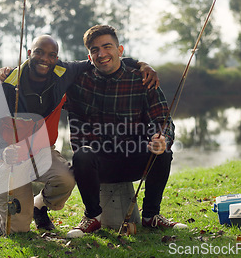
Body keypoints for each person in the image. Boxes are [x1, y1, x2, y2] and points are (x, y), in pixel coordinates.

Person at [0, 35, 159, 235]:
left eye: (51, 55)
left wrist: (142, 64)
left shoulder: (63, 72)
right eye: (39, 52)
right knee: (16, 229)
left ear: (57, 58)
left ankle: (38, 205)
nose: (45, 59)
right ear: (29, 53)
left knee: (67, 179)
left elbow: (100, 60)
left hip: (40, 153)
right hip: (9, 159)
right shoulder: (7, 83)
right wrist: (3, 151)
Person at [65, 25, 187, 238]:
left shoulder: (142, 79)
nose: (101, 54)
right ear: (89, 55)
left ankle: (151, 215)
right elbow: (47, 71)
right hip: (98, 162)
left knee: (163, 151)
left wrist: (162, 138)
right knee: (81, 155)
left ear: (120, 50)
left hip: (134, 158)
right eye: (95, 50)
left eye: (107, 47)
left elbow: (163, 120)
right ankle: (92, 216)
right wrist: (8, 74)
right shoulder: (79, 81)